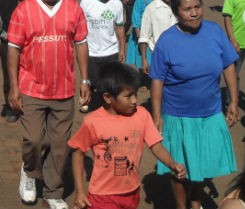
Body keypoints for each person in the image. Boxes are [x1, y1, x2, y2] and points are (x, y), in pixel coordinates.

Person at [7, 0, 91, 209]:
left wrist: (85, 79)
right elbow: (13, 49)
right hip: (31, 86)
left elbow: (81, 44)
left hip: (63, 88)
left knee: (59, 144)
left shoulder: (72, 7)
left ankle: (53, 191)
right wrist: (13, 86)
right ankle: (30, 172)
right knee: (33, 140)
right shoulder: (24, 9)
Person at [150, 0, 239, 209]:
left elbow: (229, 65)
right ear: (176, 13)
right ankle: (182, 206)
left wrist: (233, 101)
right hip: (178, 116)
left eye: (197, 7)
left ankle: (195, 200)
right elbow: (157, 80)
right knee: (178, 168)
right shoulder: (167, 41)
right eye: (187, 9)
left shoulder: (215, 31)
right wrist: (157, 115)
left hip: (210, 113)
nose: (194, 13)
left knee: (201, 164)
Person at [69, 62, 186, 209]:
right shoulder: (92, 121)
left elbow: (155, 145)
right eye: (128, 96)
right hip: (102, 196)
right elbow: (77, 153)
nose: (135, 100)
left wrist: (171, 163)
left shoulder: (141, 115)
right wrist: (80, 191)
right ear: (107, 97)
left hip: (132, 192)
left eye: (135, 94)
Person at [79, 0, 126, 112]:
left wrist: (122, 48)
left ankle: (105, 110)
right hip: (91, 52)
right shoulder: (86, 3)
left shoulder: (117, 4)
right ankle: (85, 96)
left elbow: (120, 27)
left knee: (109, 84)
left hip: (111, 51)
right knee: (94, 82)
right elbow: (79, 28)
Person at [138, 0, 180, 74]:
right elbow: (144, 36)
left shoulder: (179, 7)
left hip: (179, 54)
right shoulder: (151, 9)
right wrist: (144, 60)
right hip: (160, 56)